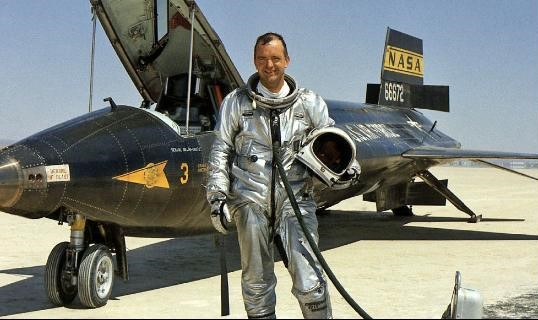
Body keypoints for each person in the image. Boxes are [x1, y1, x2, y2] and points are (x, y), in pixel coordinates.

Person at [206, 32, 334, 319]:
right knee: (256, 282)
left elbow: (331, 143)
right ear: (254, 62)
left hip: (296, 203)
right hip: (250, 202)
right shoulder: (236, 103)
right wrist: (217, 198)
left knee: (310, 280)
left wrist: (342, 170)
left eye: (276, 58)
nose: (270, 65)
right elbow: (221, 150)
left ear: (287, 60)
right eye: (263, 59)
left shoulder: (309, 104)